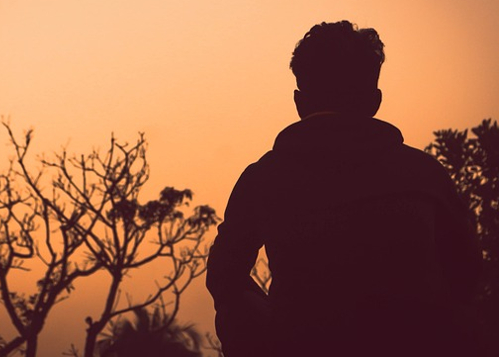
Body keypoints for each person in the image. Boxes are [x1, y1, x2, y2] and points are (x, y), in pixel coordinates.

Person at [206, 20, 482, 357]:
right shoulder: (424, 175)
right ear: (374, 101)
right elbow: (467, 277)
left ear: (299, 102)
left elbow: (224, 278)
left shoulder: (263, 179)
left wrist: (272, 337)